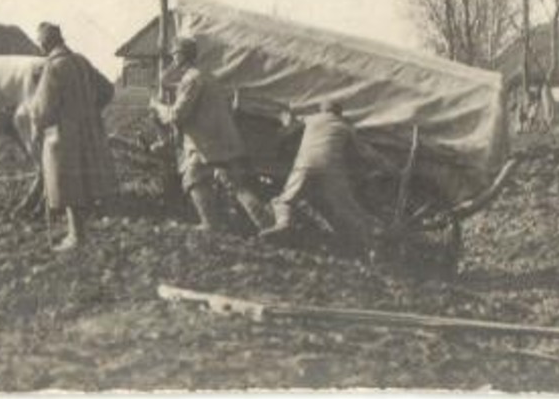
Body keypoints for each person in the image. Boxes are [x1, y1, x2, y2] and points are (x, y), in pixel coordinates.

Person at [148, 37, 274, 234]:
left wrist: (158, 106)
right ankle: (267, 224)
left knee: (193, 179)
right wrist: (172, 73)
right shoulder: (206, 76)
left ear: (180, 56)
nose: (172, 58)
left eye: (175, 54)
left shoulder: (191, 79)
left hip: (205, 143)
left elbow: (177, 115)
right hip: (222, 139)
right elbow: (174, 84)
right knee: (234, 183)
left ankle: (210, 224)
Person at [25, 22, 116, 251]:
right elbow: (107, 89)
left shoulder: (53, 67)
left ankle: (76, 236)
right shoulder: (81, 61)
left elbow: (42, 108)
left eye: (40, 43)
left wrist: (36, 126)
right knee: (84, 182)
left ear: (45, 43)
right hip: (89, 130)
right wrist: (90, 109)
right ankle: (80, 234)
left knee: (68, 183)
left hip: (64, 135)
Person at [261, 101, 385, 251]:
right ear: (339, 113)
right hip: (330, 168)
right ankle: (373, 234)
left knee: (285, 199)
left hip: (305, 164)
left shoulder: (311, 119)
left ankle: (283, 223)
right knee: (345, 206)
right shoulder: (345, 127)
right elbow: (365, 152)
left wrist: (283, 126)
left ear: (322, 110)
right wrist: (386, 164)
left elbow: (288, 130)